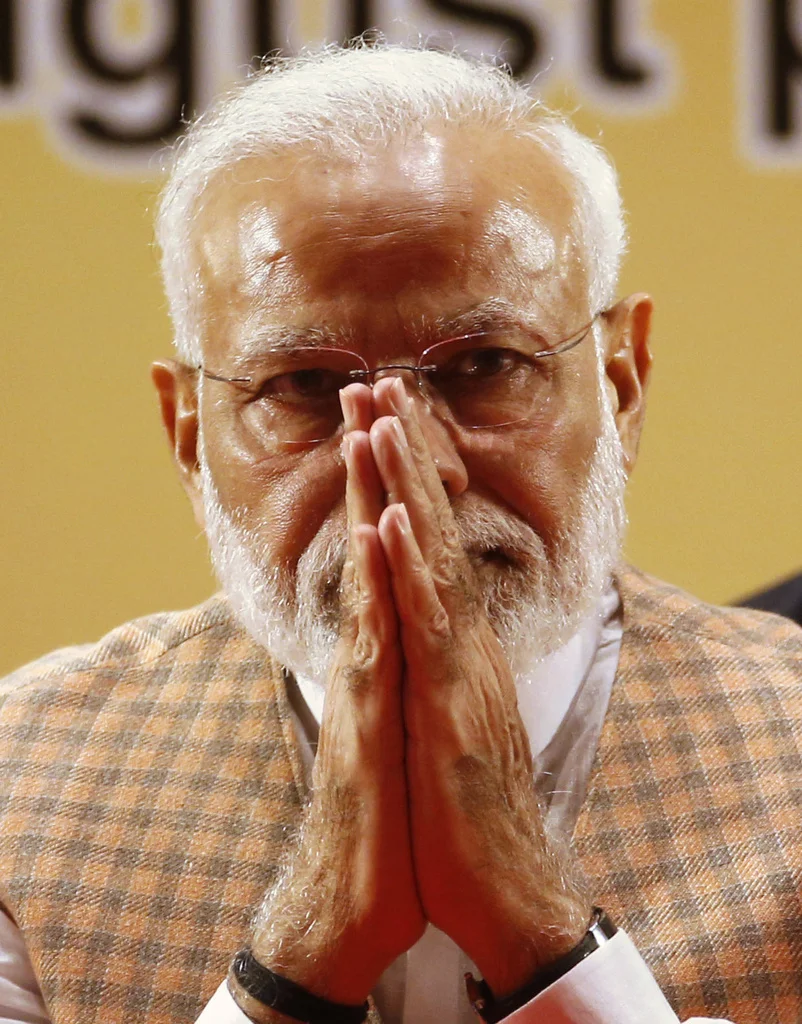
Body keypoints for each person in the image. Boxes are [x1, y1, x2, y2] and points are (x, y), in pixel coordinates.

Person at [0, 43, 800, 1024]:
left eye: (483, 365)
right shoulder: (22, 781)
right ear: (188, 437)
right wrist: (303, 943)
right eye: (301, 386)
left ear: (621, 387)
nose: (405, 466)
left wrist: (538, 923)